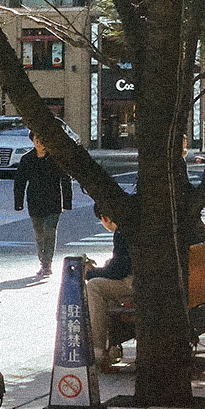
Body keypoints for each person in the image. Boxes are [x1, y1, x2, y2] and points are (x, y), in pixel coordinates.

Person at [12, 133, 73, 279]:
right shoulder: (27, 159)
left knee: (49, 232)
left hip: (54, 201)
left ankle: (47, 264)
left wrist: (67, 202)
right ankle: (42, 261)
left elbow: (65, 179)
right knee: (39, 234)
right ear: (33, 141)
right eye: (36, 140)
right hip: (35, 201)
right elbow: (19, 182)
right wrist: (18, 203)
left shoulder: (56, 158)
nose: (39, 142)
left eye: (42, 139)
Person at [84, 214, 133, 368]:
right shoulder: (134, 224)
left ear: (105, 218)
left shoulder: (123, 231)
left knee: (94, 287)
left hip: (137, 284)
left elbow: (117, 271)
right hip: (147, 281)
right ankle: (111, 347)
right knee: (107, 288)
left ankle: (98, 348)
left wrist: (90, 273)